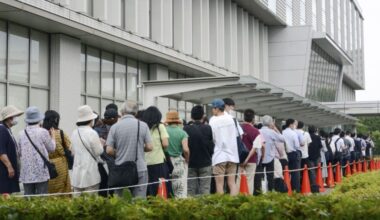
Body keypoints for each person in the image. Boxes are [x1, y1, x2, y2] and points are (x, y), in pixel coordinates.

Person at [106, 101, 153, 198]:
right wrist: (139, 148)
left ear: (122, 112)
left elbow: (109, 150)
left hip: (120, 169)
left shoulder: (115, 127)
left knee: (121, 202)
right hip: (139, 168)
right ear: (136, 113)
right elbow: (150, 147)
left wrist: (119, 153)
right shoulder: (143, 125)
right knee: (139, 201)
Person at [18, 107, 56, 195]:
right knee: (42, 199)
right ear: (40, 119)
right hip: (41, 171)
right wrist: (53, 136)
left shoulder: (21, 133)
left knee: (28, 198)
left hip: (26, 171)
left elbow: (19, 152)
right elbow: (52, 148)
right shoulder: (43, 132)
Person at [70, 105, 104, 195]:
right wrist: (101, 144)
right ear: (91, 120)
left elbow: (72, 151)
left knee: (77, 204)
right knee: (90, 203)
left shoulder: (74, 132)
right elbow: (98, 151)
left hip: (77, 175)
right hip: (90, 174)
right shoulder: (92, 133)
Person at [209, 99, 239, 196]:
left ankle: (222, 207)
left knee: (219, 184)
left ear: (217, 109)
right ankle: (234, 204)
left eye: (213, 108)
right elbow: (237, 135)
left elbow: (212, 138)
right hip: (233, 156)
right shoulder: (231, 119)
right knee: (232, 183)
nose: (212, 110)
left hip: (219, 156)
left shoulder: (213, 120)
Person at [184, 105, 214, 196]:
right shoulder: (208, 128)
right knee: (205, 189)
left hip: (191, 163)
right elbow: (211, 146)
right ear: (203, 116)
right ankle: (205, 208)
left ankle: (191, 208)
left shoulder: (186, 129)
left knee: (190, 189)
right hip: (205, 162)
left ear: (191, 116)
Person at [141, 106, 171, 197]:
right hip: (158, 163)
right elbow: (166, 144)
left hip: (145, 163)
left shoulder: (142, 126)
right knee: (160, 188)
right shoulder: (160, 126)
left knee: (147, 189)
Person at [42, 110, 72, 194]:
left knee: (48, 189)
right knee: (63, 189)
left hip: (46, 165)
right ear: (56, 120)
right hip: (61, 164)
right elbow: (70, 147)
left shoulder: (41, 133)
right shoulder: (60, 133)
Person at [254, 115, 285, 194]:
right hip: (270, 157)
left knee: (258, 176)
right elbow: (282, 139)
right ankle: (270, 192)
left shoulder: (258, 131)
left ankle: (258, 192)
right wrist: (275, 129)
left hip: (260, 157)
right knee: (270, 177)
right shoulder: (272, 132)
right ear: (271, 123)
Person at [165, 111, 190, 198]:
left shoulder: (164, 131)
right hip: (178, 163)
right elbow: (186, 149)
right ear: (177, 120)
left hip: (166, 163)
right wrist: (187, 159)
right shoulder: (182, 133)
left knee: (168, 188)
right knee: (180, 189)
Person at [0, 105, 24, 194]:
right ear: (10, 118)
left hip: (6, 171)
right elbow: (1, 151)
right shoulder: (2, 129)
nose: (17, 118)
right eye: (16, 116)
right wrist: (9, 167)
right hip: (3, 172)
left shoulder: (7, 129)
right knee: (5, 195)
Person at [238, 109, 261, 195]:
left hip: (238, 159)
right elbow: (255, 148)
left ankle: (237, 200)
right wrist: (246, 159)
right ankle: (248, 200)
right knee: (249, 181)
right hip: (251, 160)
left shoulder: (238, 129)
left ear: (243, 117)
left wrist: (242, 159)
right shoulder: (256, 131)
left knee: (238, 180)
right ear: (253, 119)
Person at [282, 119, 302, 192]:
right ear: (290, 124)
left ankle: (285, 189)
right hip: (293, 154)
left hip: (284, 154)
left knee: (285, 172)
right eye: (294, 124)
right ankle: (295, 190)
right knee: (295, 173)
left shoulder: (282, 132)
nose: (295, 126)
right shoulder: (293, 133)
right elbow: (297, 145)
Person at [308, 126, 322, 191]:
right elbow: (320, 146)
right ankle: (319, 183)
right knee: (318, 170)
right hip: (317, 156)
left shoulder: (307, 136)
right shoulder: (318, 137)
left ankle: (313, 185)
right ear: (315, 131)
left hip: (309, 156)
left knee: (312, 171)